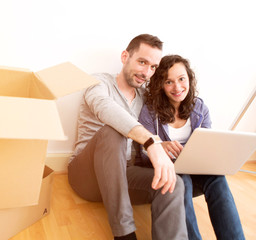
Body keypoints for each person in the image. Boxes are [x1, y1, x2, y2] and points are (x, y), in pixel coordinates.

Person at [68, 34, 188, 240]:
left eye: (153, 67)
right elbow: (105, 109)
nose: (146, 72)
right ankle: (124, 235)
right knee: (112, 131)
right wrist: (152, 141)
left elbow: (141, 146)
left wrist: (162, 146)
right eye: (142, 62)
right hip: (86, 177)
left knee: (173, 183)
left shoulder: (145, 99)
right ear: (125, 57)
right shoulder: (98, 82)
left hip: (124, 176)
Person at [136, 54, 245, 240]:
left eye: (181, 79)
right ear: (160, 85)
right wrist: (160, 146)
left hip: (197, 167)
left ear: (189, 78)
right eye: (169, 82)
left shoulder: (199, 107)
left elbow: (209, 143)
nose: (177, 87)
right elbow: (143, 151)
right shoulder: (150, 111)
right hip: (168, 167)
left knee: (218, 179)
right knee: (182, 179)